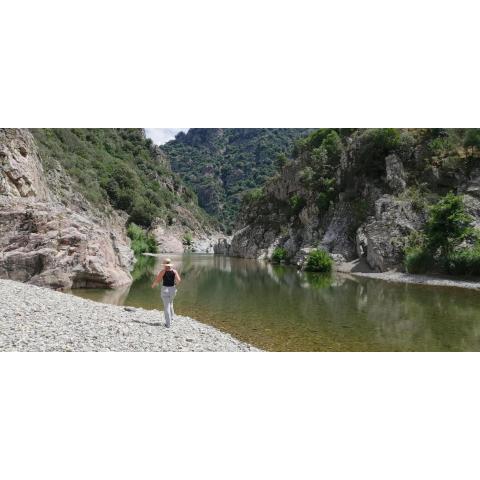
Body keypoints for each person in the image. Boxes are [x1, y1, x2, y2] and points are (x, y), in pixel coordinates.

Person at [151, 258, 181, 328]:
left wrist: (153, 286)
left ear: (165, 265)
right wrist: (175, 284)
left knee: (166, 306)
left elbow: (157, 281)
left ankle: (168, 324)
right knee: (170, 303)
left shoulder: (163, 271)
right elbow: (179, 280)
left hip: (165, 290)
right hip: (173, 289)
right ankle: (172, 317)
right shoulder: (174, 271)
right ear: (170, 264)